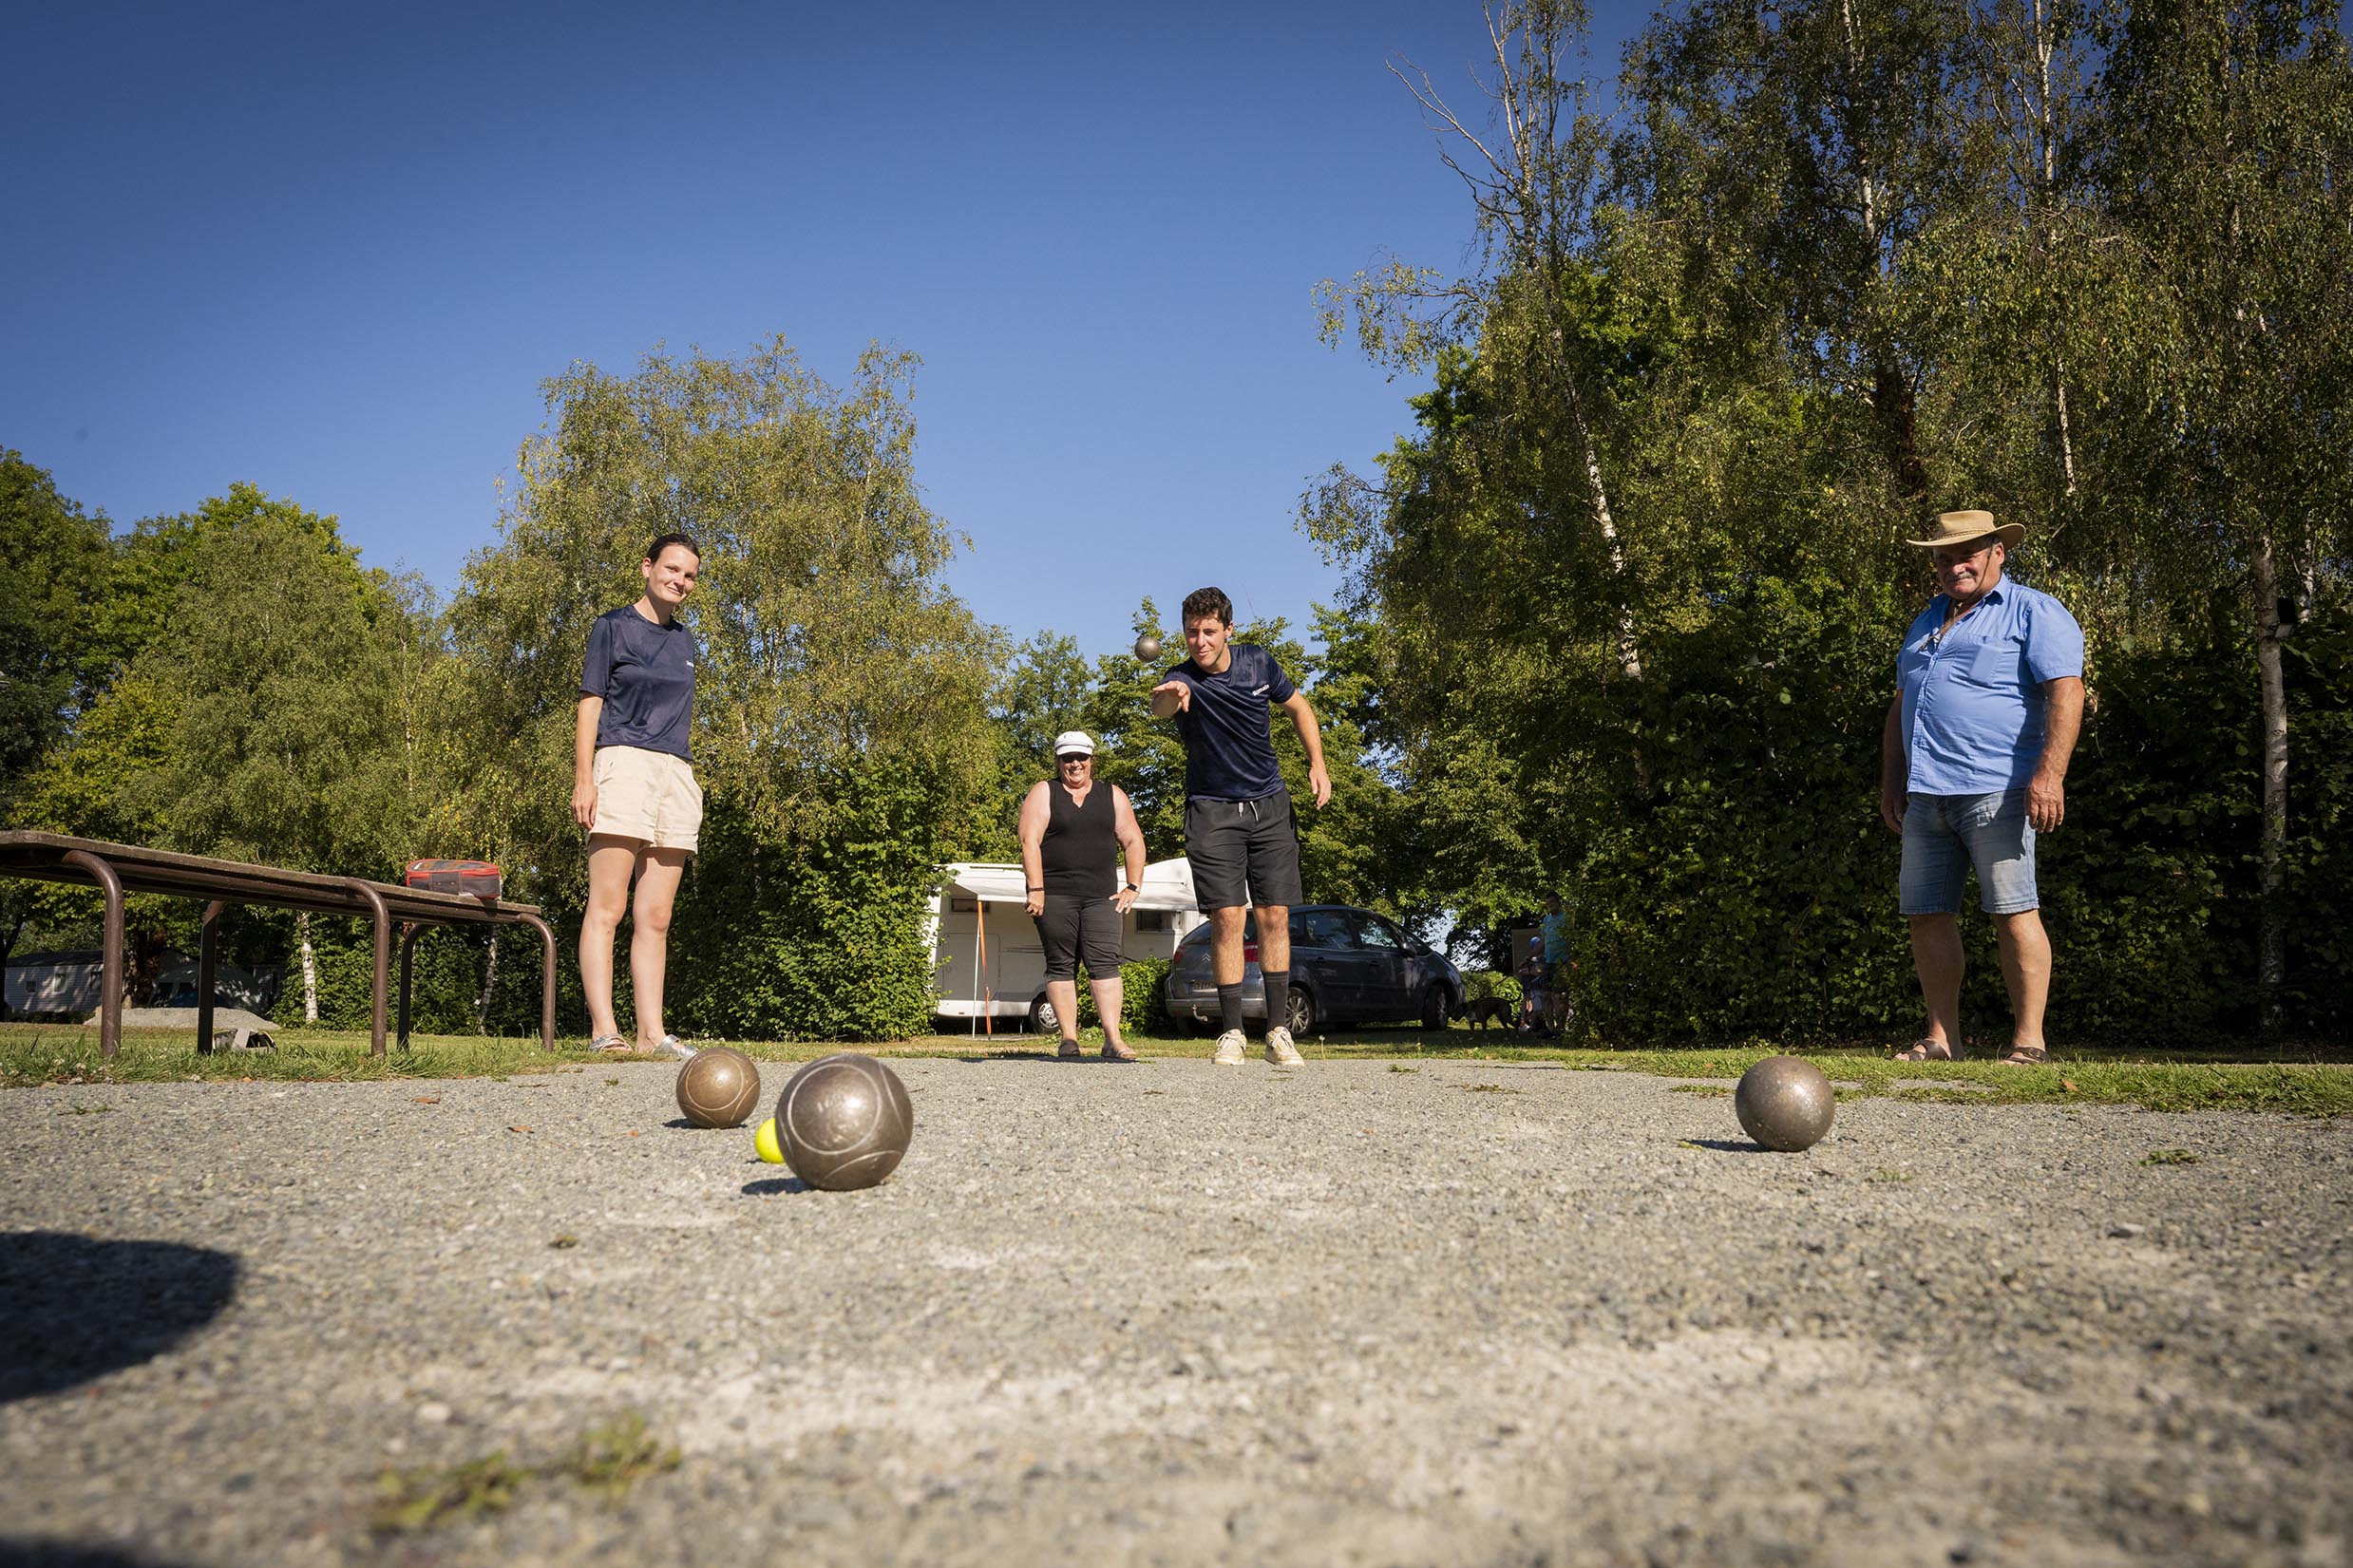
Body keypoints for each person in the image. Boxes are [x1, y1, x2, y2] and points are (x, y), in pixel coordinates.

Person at [1878, 509, 2084, 1066]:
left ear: (1998, 552)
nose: (1954, 566)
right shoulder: (1925, 622)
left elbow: (2068, 693)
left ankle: (2029, 1043)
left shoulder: (2034, 610)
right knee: (1926, 914)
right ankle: (1943, 1039)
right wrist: (1892, 782)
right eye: (1944, 558)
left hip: (2000, 789)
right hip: (1927, 794)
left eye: (1966, 554)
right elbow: (1903, 706)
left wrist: (2050, 775)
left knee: (2013, 911)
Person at [1149, 587, 1332, 1067]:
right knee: (1228, 917)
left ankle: (1277, 1032)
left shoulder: (1259, 664)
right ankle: (1231, 1033)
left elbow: (1300, 707)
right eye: (1192, 632)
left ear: (1228, 630)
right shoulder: (1180, 678)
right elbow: (1162, 707)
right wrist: (1170, 696)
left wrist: (1318, 763)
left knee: (1274, 915)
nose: (1200, 641)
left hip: (1269, 806)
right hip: (1211, 810)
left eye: (1209, 631)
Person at [573, 533, 705, 1057]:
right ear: (648, 567)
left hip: (675, 773)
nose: (680, 580)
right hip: (621, 764)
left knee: (656, 918)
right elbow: (590, 704)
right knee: (607, 908)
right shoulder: (612, 627)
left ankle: (652, 1033)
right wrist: (585, 778)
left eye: (690, 575)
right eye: (672, 569)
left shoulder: (687, 642)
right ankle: (605, 1029)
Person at [1018, 730, 1149, 1061]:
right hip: (1055, 896)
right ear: (1058, 761)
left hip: (1102, 898)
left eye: (1081, 758)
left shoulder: (1112, 795)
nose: (1074, 764)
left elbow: (1133, 840)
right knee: (1061, 965)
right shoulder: (1044, 792)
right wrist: (1036, 889)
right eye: (1067, 758)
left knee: (1106, 964)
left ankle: (1113, 1040)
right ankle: (1068, 1039)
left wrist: (1133, 886)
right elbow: (1029, 841)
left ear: (1092, 760)